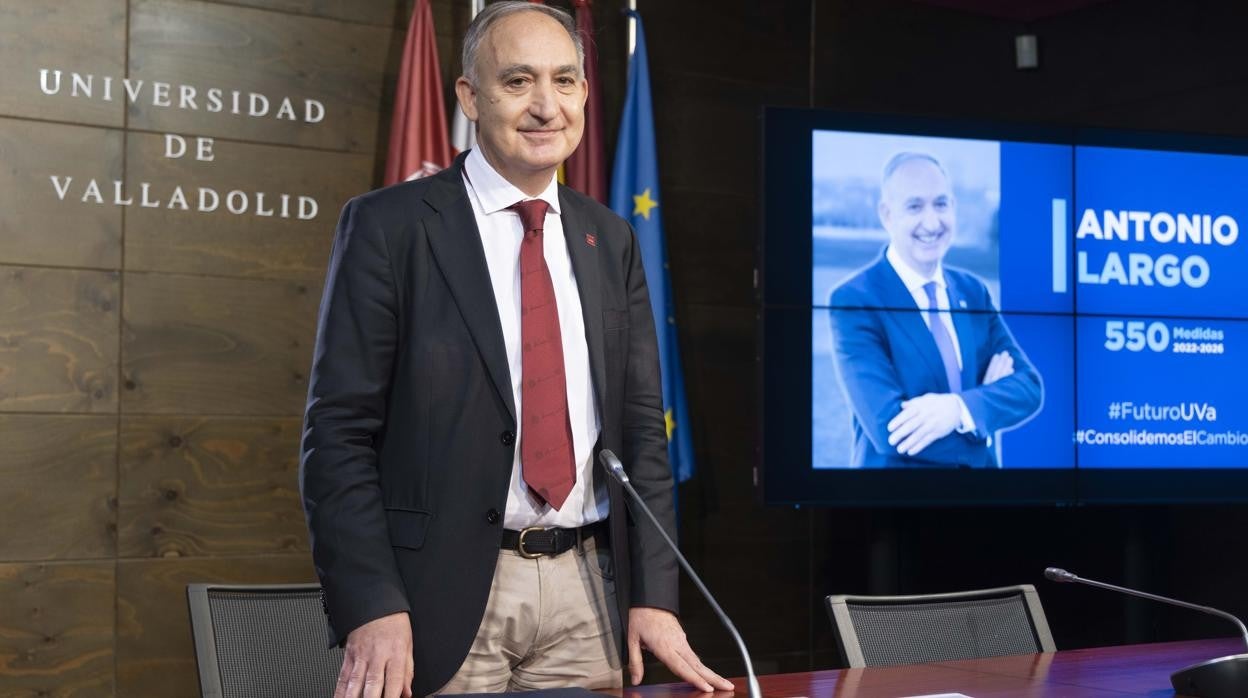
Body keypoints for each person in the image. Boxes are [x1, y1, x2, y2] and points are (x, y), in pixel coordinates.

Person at [299, 3, 734, 697]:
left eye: (565, 81)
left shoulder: (609, 238)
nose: (546, 106)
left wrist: (654, 596)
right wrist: (372, 605)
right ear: (469, 96)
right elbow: (338, 436)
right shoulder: (392, 228)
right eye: (518, 81)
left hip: (589, 595)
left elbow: (642, 431)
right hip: (440, 600)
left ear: (586, 94)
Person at [828, 151, 1043, 468]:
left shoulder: (974, 292)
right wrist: (979, 423)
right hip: (892, 509)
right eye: (914, 206)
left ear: (953, 207)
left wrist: (957, 410)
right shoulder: (855, 300)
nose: (932, 222)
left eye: (941, 204)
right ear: (887, 215)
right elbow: (890, 431)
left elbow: (1028, 388)